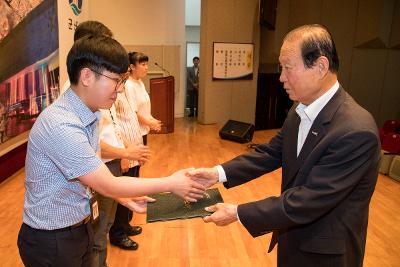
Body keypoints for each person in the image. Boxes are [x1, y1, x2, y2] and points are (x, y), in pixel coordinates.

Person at [190, 24, 380, 267]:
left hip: (326, 254)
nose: (281, 78)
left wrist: (238, 212)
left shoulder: (355, 131)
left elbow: (309, 200)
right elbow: (272, 152)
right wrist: (216, 173)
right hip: (292, 237)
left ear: (321, 66)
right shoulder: (300, 108)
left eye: (288, 68)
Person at [17, 35, 205, 267]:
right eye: (115, 80)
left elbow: (89, 176)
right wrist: (171, 183)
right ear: (86, 76)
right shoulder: (61, 124)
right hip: (52, 239)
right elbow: (106, 182)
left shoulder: (90, 113)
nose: (120, 89)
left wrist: (121, 197)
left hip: (78, 226)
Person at [108, 51, 162, 251]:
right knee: (124, 188)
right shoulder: (119, 88)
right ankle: (118, 232)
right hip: (125, 148)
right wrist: (122, 152)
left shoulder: (125, 86)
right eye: (142, 64)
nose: (146, 68)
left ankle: (124, 225)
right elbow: (114, 125)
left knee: (132, 185)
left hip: (132, 144)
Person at [92, 104, 152, 266]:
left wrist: (127, 150)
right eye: (118, 81)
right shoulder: (81, 104)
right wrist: (125, 153)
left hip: (111, 163)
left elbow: (114, 129)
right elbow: (93, 146)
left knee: (107, 223)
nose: (119, 88)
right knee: (99, 230)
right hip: (103, 166)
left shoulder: (102, 99)